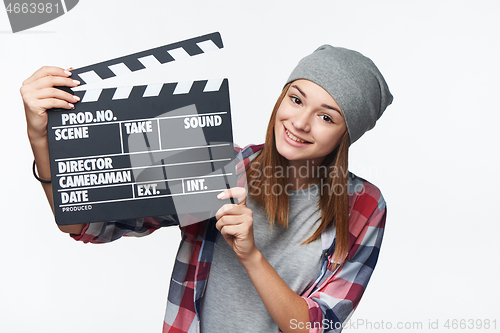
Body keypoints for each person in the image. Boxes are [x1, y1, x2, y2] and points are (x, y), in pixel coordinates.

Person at [21, 45, 393, 333]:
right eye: (296, 99)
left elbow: (315, 325)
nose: (300, 122)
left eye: (326, 116)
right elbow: (88, 225)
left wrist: (251, 255)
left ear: (347, 134)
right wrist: (41, 138)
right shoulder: (220, 164)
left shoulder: (363, 206)